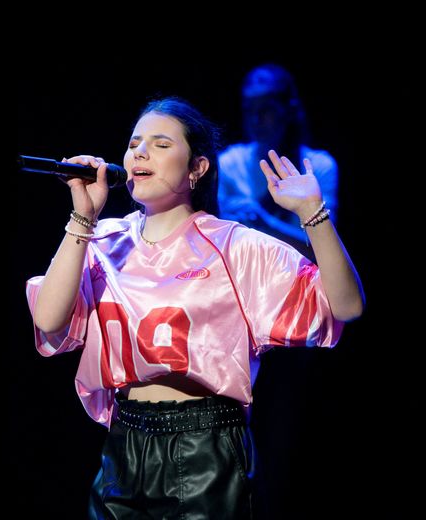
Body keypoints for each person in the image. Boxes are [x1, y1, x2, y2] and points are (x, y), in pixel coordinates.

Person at [25, 96, 364, 519]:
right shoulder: (103, 241)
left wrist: (313, 212)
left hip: (205, 446)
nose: (140, 153)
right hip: (124, 446)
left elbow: (346, 306)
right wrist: (83, 217)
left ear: (197, 168)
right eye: (134, 144)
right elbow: (48, 319)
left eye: (161, 144)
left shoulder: (234, 246)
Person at [218, 63, 339, 253]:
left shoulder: (319, 166)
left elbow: (323, 247)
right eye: (250, 110)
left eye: (266, 110)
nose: (256, 120)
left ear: (288, 111)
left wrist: (263, 222)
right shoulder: (228, 163)